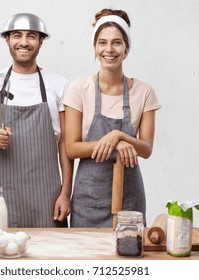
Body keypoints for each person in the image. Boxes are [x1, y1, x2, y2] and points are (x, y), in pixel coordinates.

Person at [0, 13, 73, 228]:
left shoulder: (58, 84)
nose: (24, 42)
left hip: (48, 198)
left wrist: (65, 192)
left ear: (41, 41)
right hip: (5, 198)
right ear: (7, 39)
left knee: (52, 258)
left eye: (32, 36)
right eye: (17, 35)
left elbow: (65, 144)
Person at [63, 9, 161, 227]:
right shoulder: (79, 89)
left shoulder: (145, 92)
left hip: (130, 200)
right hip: (88, 202)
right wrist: (115, 143)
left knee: (129, 258)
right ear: (95, 47)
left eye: (117, 43)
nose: (109, 49)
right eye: (102, 43)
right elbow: (71, 148)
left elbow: (146, 149)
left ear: (127, 48)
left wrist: (117, 135)